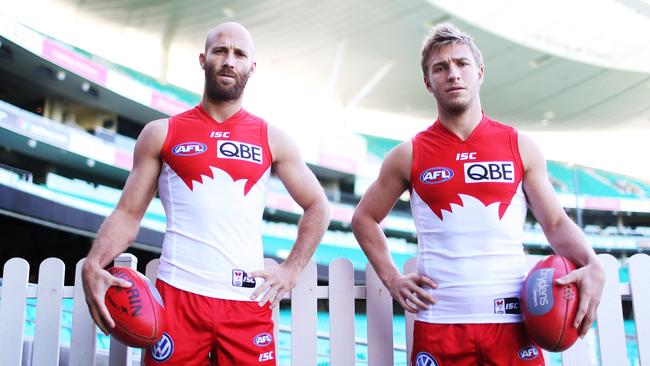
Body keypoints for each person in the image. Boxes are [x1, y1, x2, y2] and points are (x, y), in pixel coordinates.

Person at [351, 23, 605, 365]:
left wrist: (593, 263)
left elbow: (556, 223)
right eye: (440, 68)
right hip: (440, 324)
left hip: (513, 325)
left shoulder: (520, 146)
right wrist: (392, 277)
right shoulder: (408, 154)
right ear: (428, 82)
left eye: (461, 64)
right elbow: (364, 218)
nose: (452, 74)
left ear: (480, 72)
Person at [82, 22, 330, 366]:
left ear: (251, 68)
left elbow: (317, 205)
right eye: (220, 51)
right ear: (203, 59)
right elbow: (127, 214)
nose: (229, 61)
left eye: (239, 54)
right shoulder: (161, 133)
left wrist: (292, 268)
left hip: (246, 303)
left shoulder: (273, 138)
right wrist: (94, 263)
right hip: (177, 300)